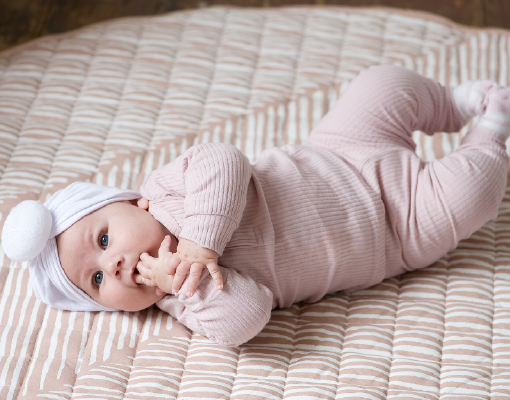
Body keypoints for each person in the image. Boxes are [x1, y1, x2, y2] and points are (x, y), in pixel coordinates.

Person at [2, 65, 509, 347]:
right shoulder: (180, 299)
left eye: (104, 240)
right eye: (96, 282)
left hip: (341, 149)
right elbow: (249, 316)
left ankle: (456, 103)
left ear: (133, 201)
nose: (111, 265)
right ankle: (491, 131)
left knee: (379, 87)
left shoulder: (168, 188)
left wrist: (202, 243)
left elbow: (225, 162)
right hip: (395, 231)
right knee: (472, 194)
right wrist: (190, 282)